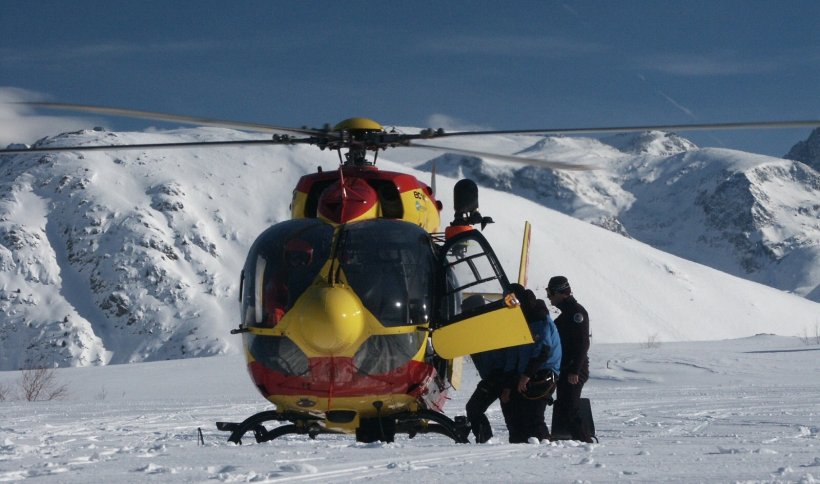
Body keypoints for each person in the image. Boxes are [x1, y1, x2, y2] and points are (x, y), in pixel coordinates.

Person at [500, 289, 562, 443]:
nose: (510, 306)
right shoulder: (521, 322)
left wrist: (526, 376)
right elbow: (513, 356)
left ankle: (545, 448)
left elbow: (543, 351)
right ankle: (519, 447)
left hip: (542, 373)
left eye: (511, 302)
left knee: (534, 417)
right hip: (525, 374)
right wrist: (508, 385)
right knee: (516, 416)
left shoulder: (539, 319)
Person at [547, 275, 593, 443]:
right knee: (565, 406)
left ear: (561, 293)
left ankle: (585, 441)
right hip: (566, 368)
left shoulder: (576, 313)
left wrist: (575, 370)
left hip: (575, 368)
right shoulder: (567, 313)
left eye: (550, 292)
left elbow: (582, 344)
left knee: (570, 409)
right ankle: (576, 440)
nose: (549, 297)